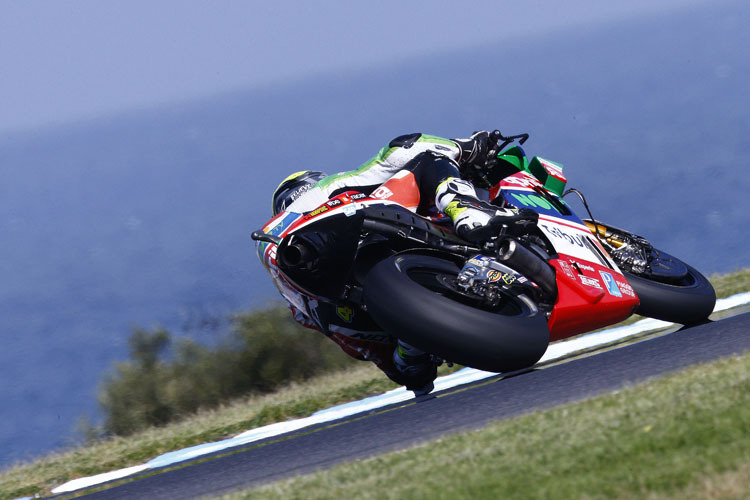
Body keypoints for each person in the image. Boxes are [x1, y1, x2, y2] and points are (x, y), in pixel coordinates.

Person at [262, 131, 537, 395]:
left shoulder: (297, 294)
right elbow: (403, 149)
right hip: (359, 241)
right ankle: (469, 214)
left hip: (340, 304)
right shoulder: (328, 191)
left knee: (409, 373)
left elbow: (345, 338)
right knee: (427, 158)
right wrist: (469, 147)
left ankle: (408, 349)